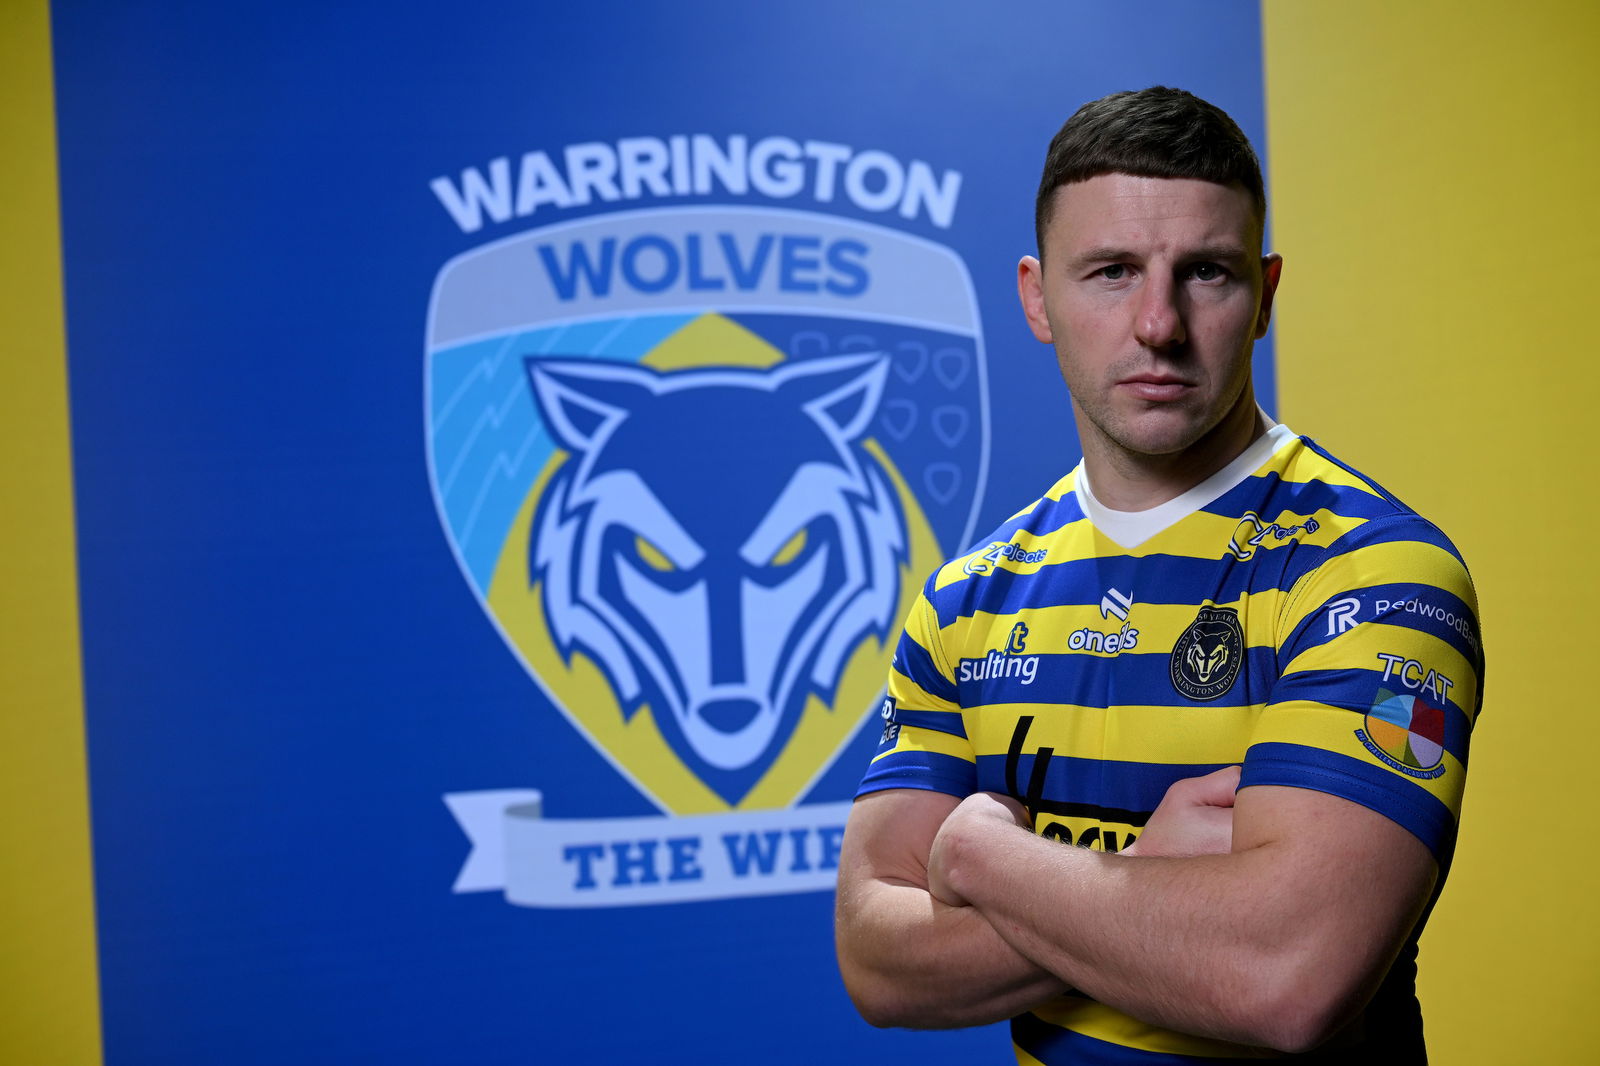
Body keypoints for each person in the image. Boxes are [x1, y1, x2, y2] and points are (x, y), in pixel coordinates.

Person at [834, 87, 1484, 1064]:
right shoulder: (967, 599)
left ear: (1264, 293)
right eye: (1111, 272)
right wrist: (1148, 871)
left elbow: (1284, 976)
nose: (1157, 324)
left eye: (1206, 273)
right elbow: (876, 961)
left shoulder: (1376, 573)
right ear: (1035, 297)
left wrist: (983, 854)